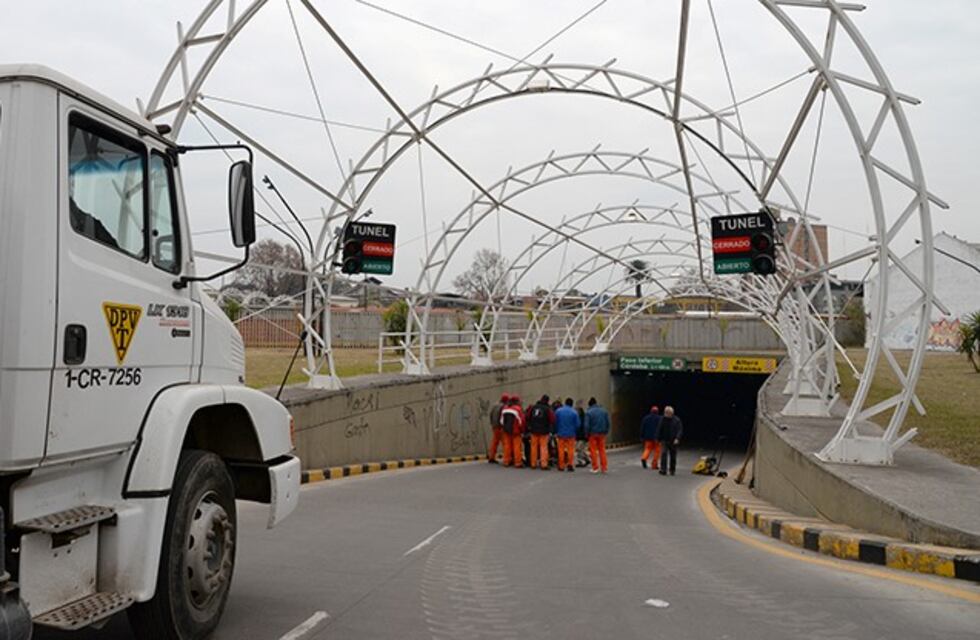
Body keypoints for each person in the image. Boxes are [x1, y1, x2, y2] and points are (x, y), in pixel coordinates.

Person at [527, 395, 556, 470]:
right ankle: (544, 464)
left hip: (534, 430)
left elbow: (528, 417)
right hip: (544, 431)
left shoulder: (533, 407)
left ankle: (533, 463)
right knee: (543, 447)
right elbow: (552, 419)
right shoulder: (547, 409)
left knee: (533, 447)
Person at [585, 397, 611, 474]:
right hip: (602, 433)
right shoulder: (604, 411)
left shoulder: (589, 412)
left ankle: (595, 467)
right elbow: (608, 423)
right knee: (602, 450)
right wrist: (606, 431)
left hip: (592, 434)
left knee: (593, 450)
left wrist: (586, 433)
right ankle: (604, 467)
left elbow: (586, 425)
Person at [554, 398, 580, 472]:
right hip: (571, 434)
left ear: (565, 403)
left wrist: (557, 430)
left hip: (561, 433)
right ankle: (570, 465)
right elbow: (578, 424)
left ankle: (561, 465)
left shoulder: (558, 411)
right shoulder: (574, 412)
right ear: (572, 404)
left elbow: (555, 422)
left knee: (561, 450)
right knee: (570, 450)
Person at [656, 405, 684, 476]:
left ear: (671, 413)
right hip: (664, 440)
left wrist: (677, 438)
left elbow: (679, 430)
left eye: (668, 413)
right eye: (666, 412)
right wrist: (657, 438)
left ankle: (672, 469)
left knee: (673, 455)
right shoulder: (662, 419)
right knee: (663, 453)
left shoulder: (676, 420)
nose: (666, 414)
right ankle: (663, 469)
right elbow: (659, 428)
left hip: (673, 440)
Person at [500, 395, 526, 468]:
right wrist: (522, 430)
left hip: (506, 431)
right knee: (517, 446)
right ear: (517, 402)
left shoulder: (505, 409)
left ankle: (506, 461)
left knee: (507, 446)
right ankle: (518, 462)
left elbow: (501, 421)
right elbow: (521, 421)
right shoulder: (518, 409)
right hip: (515, 431)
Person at [487, 394, 508, 463]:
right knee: (505, 443)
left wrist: (492, 424)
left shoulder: (494, 406)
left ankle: (491, 457)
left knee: (494, 442)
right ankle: (507, 459)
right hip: (500, 427)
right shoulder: (504, 406)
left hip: (494, 426)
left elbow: (491, 415)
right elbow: (503, 417)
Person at [640, 405, 661, 470]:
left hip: (648, 437)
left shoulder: (646, 418)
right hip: (657, 437)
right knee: (657, 451)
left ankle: (644, 458)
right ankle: (654, 465)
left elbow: (642, 428)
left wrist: (642, 436)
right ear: (657, 412)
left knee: (647, 449)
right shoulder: (660, 419)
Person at [574, 399, 590, 467]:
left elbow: (578, 426)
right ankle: (586, 459)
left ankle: (581, 461)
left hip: (581, 435)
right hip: (583, 435)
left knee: (579, 449)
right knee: (581, 449)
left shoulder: (580, 417)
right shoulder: (584, 416)